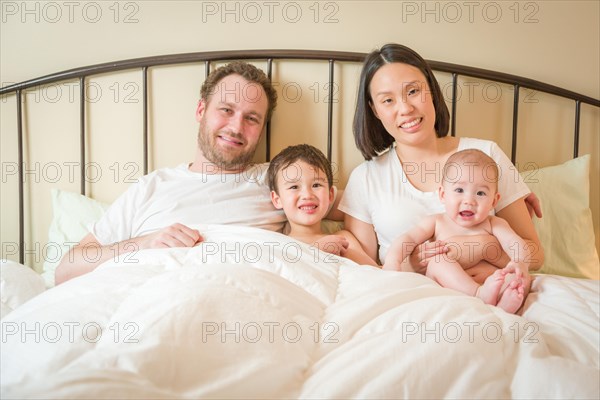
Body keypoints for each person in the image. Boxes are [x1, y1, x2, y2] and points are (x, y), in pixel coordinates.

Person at [55, 61, 345, 284]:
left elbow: (362, 208)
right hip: (150, 291)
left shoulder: (282, 180)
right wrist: (144, 243)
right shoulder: (152, 187)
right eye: (226, 110)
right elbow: (66, 270)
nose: (236, 127)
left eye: (252, 118)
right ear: (200, 110)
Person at [339, 43, 544, 294]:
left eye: (413, 91)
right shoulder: (365, 178)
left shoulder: (486, 155)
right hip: (412, 299)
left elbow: (535, 254)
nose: (405, 109)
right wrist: (415, 262)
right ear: (374, 110)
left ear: (432, 91)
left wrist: (483, 247)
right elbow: (366, 267)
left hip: (494, 291)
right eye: (388, 100)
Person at [384, 149, 529, 313]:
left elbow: (515, 243)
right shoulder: (437, 221)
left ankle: (503, 303)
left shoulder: (494, 223)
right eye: (459, 190)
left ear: (494, 201)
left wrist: (519, 262)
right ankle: (479, 294)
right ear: (443, 194)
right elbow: (408, 238)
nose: (469, 201)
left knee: (520, 276)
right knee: (438, 261)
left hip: (491, 285)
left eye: (480, 193)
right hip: (449, 288)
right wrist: (392, 260)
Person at [267, 144, 378, 267]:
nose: (307, 195)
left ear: (330, 195)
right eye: (294, 187)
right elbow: (285, 275)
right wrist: (316, 251)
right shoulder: (279, 244)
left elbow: (373, 271)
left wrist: (346, 253)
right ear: (277, 200)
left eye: (316, 185)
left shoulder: (343, 239)